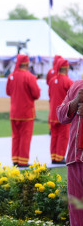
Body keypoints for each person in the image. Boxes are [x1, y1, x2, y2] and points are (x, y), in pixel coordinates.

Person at [6, 54, 40, 167]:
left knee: (15, 136)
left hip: (14, 112)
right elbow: (36, 94)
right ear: (27, 63)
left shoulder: (11, 76)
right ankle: (23, 161)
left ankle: (15, 159)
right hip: (26, 113)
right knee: (25, 137)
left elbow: (8, 92)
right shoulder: (30, 77)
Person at [57, 79, 83, 225]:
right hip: (75, 160)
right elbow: (60, 115)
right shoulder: (77, 86)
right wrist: (74, 102)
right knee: (76, 213)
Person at [49, 58, 73, 164]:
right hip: (63, 113)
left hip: (53, 113)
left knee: (54, 135)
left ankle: (54, 156)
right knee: (63, 136)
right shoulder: (68, 81)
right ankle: (59, 157)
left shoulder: (51, 80)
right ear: (66, 68)